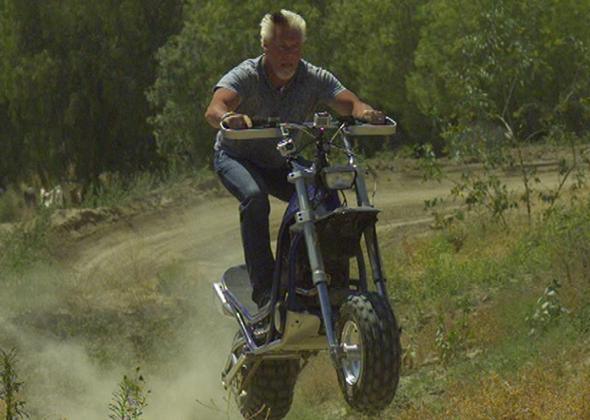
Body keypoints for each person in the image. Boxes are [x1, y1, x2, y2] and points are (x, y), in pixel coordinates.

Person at [204, 9, 385, 308]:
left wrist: (364, 112)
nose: (289, 56)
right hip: (237, 157)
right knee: (254, 198)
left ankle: (319, 278)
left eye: (295, 47)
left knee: (325, 196)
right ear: (265, 46)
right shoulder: (247, 75)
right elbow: (215, 108)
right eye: (282, 48)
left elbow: (349, 102)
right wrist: (229, 118)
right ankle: (265, 290)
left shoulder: (312, 77)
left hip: (280, 158)